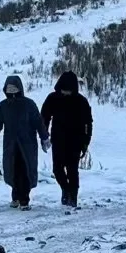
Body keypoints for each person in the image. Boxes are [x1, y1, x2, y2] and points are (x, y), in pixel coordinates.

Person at [0, 74, 49, 208]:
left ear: (19, 88)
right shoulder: (3, 105)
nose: (11, 91)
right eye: (8, 88)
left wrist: (44, 138)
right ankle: (15, 197)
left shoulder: (29, 104)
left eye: (14, 88)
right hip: (11, 145)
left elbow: (38, 122)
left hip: (27, 145)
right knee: (12, 171)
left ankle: (24, 200)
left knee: (25, 171)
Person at [40, 71, 92, 208]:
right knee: (57, 170)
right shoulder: (52, 98)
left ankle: (72, 197)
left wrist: (86, 142)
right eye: (63, 90)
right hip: (57, 139)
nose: (65, 93)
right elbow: (44, 117)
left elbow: (88, 123)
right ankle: (66, 189)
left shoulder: (81, 101)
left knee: (72, 170)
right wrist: (44, 136)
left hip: (76, 142)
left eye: (68, 91)